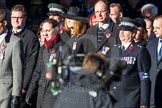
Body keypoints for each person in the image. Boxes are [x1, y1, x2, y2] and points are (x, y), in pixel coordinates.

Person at [108, 17, 151, 108]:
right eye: (120, 30)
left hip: (130, 98)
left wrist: (144, 102)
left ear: (133, 33)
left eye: (125, 30)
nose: (122, 33)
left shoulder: (139, 51)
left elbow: (144, 78)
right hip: (113, 97)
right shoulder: (114, 49)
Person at [26, 19, 62, 108]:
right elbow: (37, 72)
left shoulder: (63, 48)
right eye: (43, 30)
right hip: (41, 93)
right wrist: (30, 92)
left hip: (54, 95)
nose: (45, 34)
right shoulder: (43, 48)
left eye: (48, 31)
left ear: (56, 30)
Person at [10, 4, 39, 108]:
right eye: (13, 17)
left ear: (25, 18)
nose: (16, 20)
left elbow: (31, 64)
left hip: (20, 85)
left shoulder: (31, 38)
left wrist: (24, 86)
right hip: (6, 83)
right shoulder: (6, 34)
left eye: (19, 17)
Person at [0, 9, 24, 108]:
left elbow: (17, 70)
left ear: (4, 23)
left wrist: (16, 95)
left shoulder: (15, 42)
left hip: (5, 92)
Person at [146, 15, 162, 108]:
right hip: (152, 94)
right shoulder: (151, 44)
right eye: (154, 27)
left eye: (157, 28)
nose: (154, 30)